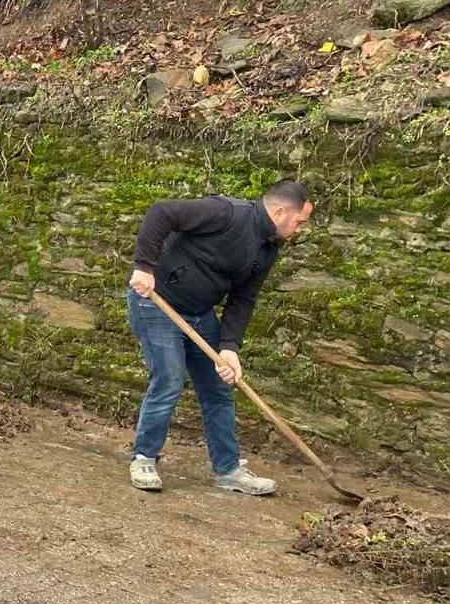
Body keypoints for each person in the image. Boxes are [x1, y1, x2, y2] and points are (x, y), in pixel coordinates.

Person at [125, 179, 314, 495]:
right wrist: (145, 267)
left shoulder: (269, 247)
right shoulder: (226, 213)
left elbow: (244, 298)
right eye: (299, 221)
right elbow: (161, 212)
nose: (299, 229)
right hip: (156, 302)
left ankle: (228, 469)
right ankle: (144, 457)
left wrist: (229, 348)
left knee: (219, 386)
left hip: (200, 313)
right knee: (170, 379)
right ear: (281, 211)